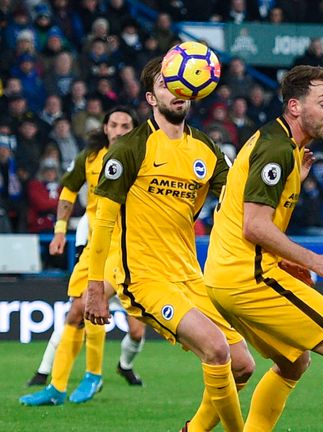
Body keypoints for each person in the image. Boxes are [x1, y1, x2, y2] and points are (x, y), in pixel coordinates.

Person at [204, 65, 323, 431]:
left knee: (294, 362)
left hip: (224, 279)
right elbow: (253, 226)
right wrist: (314, 260)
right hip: (248, 278)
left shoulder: (278, 145)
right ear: (294, 106)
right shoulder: (276, 151)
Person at [82, 57, 254, 431]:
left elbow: (243, 203)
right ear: (150, 96)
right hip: (144, 278)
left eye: (181, 82)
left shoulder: (205, 149)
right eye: (165, 82)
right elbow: (103, 222)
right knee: (216, 349)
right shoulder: (130, 148)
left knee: (243, 365)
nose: (176, 89)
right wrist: (95, 287)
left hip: (191, 277)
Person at [20, 107, 147, 407]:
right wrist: (61, 230)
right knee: (75, 313)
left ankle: (93, 374)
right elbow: (68, 189)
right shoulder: (89, 158)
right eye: (113, 124)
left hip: (126, 246)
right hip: (95, 245)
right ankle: (57, 387)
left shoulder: (144, 157)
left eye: (125, 125)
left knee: (91, 304)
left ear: (134, 128)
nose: (119, 129)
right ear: (105, 128)